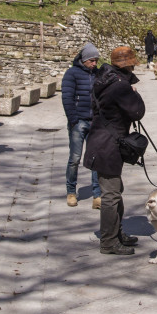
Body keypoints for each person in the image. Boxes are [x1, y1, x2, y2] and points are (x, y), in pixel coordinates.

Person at [83, 46, 146, 255]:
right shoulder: (119, 86)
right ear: (126, 66)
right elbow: (137, 112)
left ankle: (117, 233)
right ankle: (109, 241)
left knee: (115, 189)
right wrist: (134, 93)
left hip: (102, 141)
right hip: (107, 145)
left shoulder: (105, 80)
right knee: (111, 194)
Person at [62, 43, 102, 208]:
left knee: (95, 159)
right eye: (91, 60)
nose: (94, 64)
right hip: (78, 121)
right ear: (84, 60)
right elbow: (67, 97)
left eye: (96, 60)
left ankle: (97, 195)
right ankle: (71, 191)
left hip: (95, 122)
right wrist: (73, 119)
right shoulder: (72, 73)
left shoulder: (98, 74)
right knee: (75, 158)